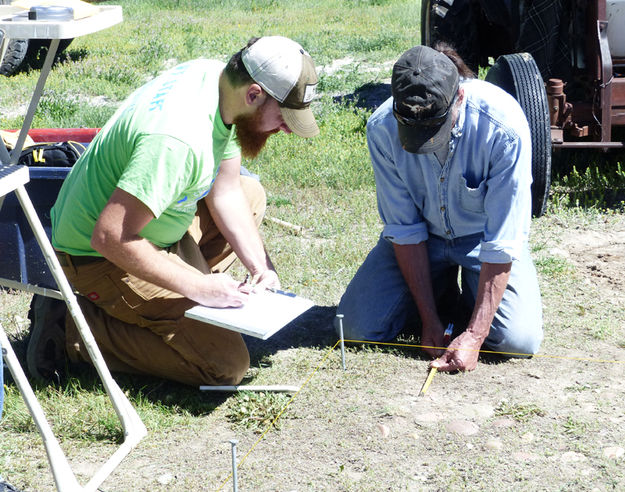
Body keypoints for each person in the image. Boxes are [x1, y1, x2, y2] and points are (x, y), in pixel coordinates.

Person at [26, 35, 319, 386]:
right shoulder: (175, 141)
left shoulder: (217, 80)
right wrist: (199, 286)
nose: (286, 128)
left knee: (249, 193)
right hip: (97, 257)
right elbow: (110, 237)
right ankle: (73, 327)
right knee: (225, 365)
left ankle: (177, 306)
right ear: (254, 94)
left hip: (149, 227)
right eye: (283, 116)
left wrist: (262, 269)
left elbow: (225, 189)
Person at [336, 44, 543, 372]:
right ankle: (442, 294)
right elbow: (404, 228)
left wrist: (475, 336)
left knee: (518, 341)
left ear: (459, 97)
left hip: (483, 241)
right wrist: (429, 319)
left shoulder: (504, 127)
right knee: (356, 327)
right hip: (423, 239)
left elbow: (504, 238)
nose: (424, 142)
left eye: (435, 130)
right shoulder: (381, 129)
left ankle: (466, 307)